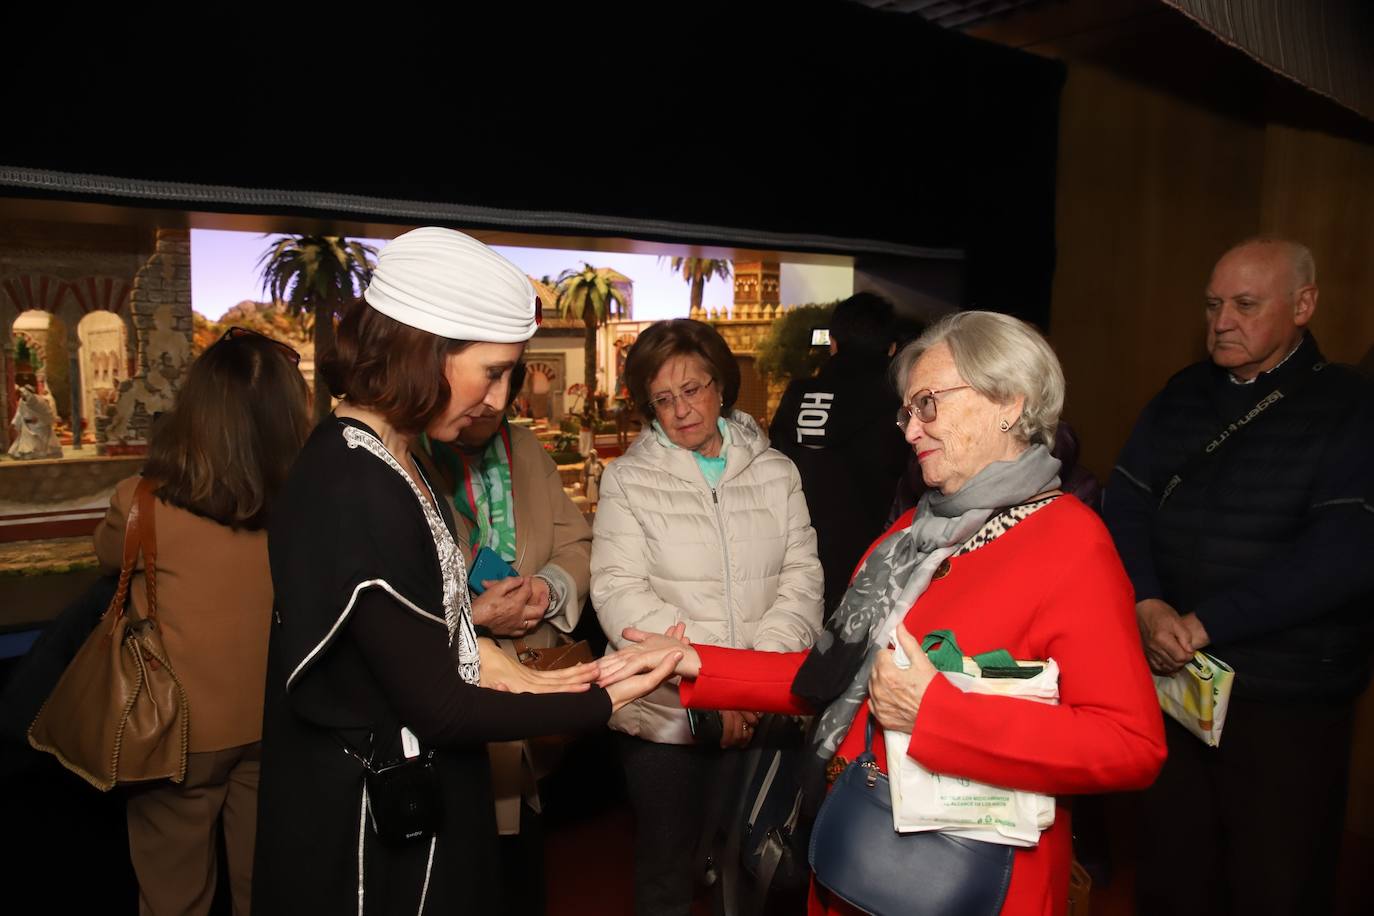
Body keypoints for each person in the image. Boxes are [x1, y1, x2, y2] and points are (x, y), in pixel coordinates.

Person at [602, 310, 1167, 916]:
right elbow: (830, 676)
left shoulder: (1069, 541)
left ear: (1008, 403)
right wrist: (696, 660)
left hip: (970, 883)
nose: (910, 429)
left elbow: (1131, 745)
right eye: (908, 411)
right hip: (858, 855)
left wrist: (938, 715)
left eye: (928, 405)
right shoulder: (907, 536)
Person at [252, 227, 678, 916]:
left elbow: (426, 630)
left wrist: (519, 673)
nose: (501, 398)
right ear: (425, 352)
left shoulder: (389, 458)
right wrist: (605, 699)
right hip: (373, 832)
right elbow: (441, 709)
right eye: (493, 371)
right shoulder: (357, 484)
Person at [1102, 238, 1374, 916]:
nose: (1222, 322)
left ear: (1303, 305)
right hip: (1174, 681)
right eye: (1213, 304)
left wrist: (1205, 623)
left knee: (1272, 879)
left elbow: (1343, 555)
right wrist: (1147, 601)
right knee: (1173, 866)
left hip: (1286, 696)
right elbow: (1125, 502)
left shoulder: (1350, 405)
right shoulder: (1182, 393)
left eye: (1245, 305)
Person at [591, 318, 824, 915]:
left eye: (692, 390)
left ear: (721, 385)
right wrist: (716, 685)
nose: (681, 410)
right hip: (665, 717)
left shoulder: (776, 471)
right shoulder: (627, 479)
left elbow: (802, 579)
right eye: (663, 399)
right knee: (667, 875)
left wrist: (752, 681)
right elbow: (620, 593)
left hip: (764, 712)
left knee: (754, 870)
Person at [92, 327, 311, 916]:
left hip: (172, 733)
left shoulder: (140, 502)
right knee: (265, 888)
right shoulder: (308, 504)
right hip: (275, 722)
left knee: (174, 896)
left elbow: (108, 557)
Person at [420, 359, 593, 916]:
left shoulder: (526, 449)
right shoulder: (412, 456)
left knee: (522, 851)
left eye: (503, 388)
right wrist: (474, 615)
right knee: (464, 853)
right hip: (455, 689)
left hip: (528, 681)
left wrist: (548, 588)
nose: (490, 404)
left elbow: (577, 544)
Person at [769, 293, 908, 618]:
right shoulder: (898, 403)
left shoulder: (797, 395)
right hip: (872, 571)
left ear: (832, 343)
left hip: (791, 569)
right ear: (891, 349)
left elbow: (773, 466)